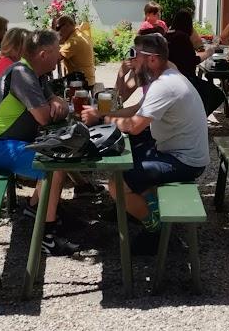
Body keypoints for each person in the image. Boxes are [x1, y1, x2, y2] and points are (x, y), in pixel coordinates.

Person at [84, 31, 209, 254]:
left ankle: (156, 230)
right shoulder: (167, 75)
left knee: (116, 185)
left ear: (152, 59)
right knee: (131, 161)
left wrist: (102, 118)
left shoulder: (164, 85)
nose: (131, 61)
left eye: (135, 55)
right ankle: (143, 209)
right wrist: (106, 113)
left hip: (185, 161)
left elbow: (133, 125)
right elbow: (137, 109)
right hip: (177, 152)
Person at [0, 30, 75, 255]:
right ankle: (46, 236)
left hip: (3, 143)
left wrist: (56, 103)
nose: (60, 55)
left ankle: (36, 208)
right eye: (57, 51)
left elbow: (56, 102)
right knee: (54, 167)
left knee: (58, 158)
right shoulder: (22, 74)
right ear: (45, 54)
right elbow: (45, 117)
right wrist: (55, 107)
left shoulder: (35, 73)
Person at [53, 14, 96, 87]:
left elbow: (55, 58)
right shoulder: (79, 33)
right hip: (88, 79)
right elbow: (61, 43)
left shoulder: (73, 41)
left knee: (50, 88)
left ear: (67, 25)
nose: (57, 32)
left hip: (80, 82)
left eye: (58, 28)